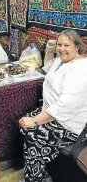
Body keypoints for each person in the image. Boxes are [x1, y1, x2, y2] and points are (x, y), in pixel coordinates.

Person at [19, 29, 87, 182]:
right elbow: (49, 67)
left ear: (77, 47)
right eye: (59, 44)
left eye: (66, 45)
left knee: (33, 134)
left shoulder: (81, 70)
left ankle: (36, 178)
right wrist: (49, 51)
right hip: (52, 113)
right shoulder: (63, 59)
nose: (62, 48)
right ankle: (41, 168)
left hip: (69, 123)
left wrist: (35, 121)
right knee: (22, 122)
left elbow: (66, 106)